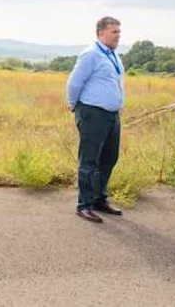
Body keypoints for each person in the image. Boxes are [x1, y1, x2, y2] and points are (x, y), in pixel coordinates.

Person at [66, 16, 125, 223]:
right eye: (114, 32)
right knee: (89, 160)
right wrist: (74, 105)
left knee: (109, 158)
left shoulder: (113, 55)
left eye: (119, 31)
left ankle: (99, 199)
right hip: (93, 113)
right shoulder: (91, 54)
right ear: (100, 33)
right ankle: (85, 204)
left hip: (111, 115)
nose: (118, 35)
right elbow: (74, 83)